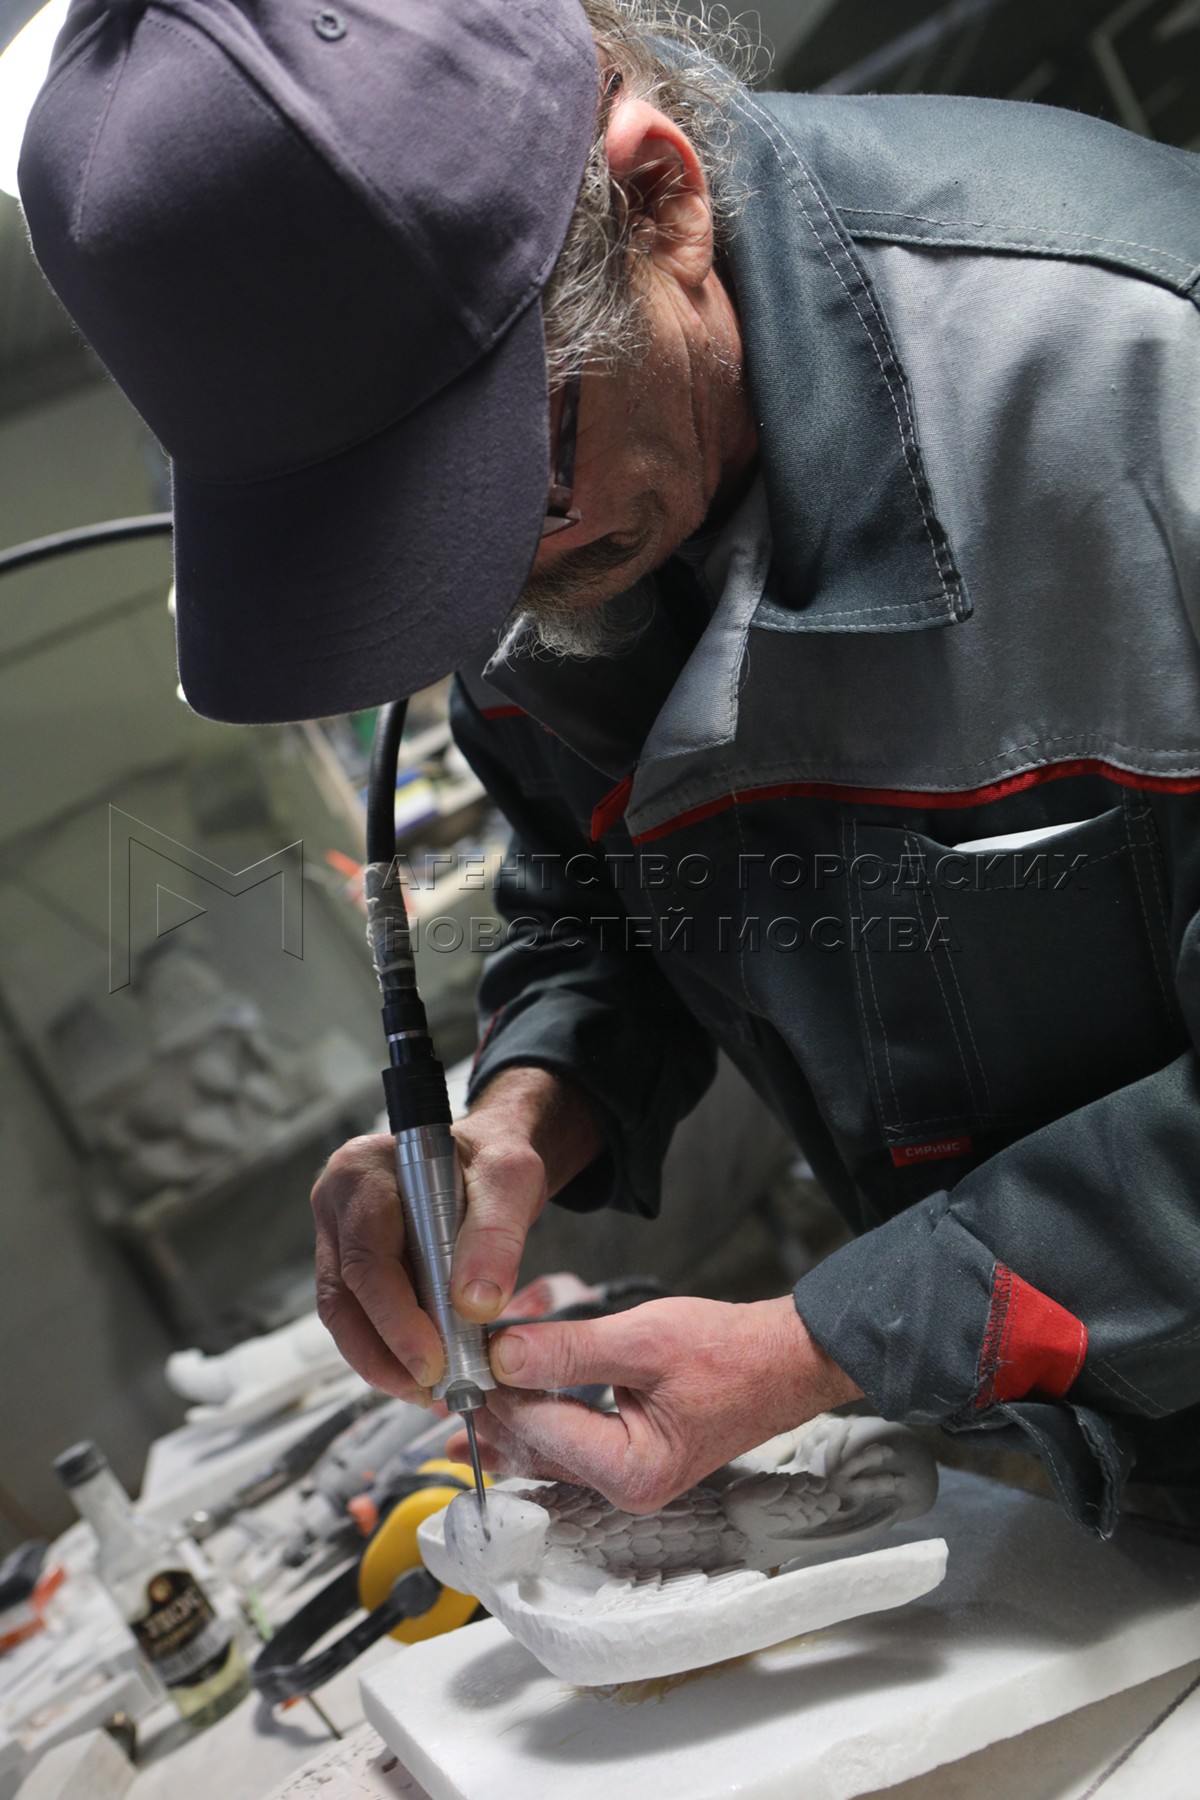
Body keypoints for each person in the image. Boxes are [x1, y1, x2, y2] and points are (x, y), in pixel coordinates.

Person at [22, 1, 1200, 1535]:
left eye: (508, 493)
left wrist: (825, 1345)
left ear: (661, 203)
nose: (491, 592)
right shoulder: (555, 506)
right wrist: (520, 1118)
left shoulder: (1143, 369)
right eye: (421, 546)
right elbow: (600, 895)